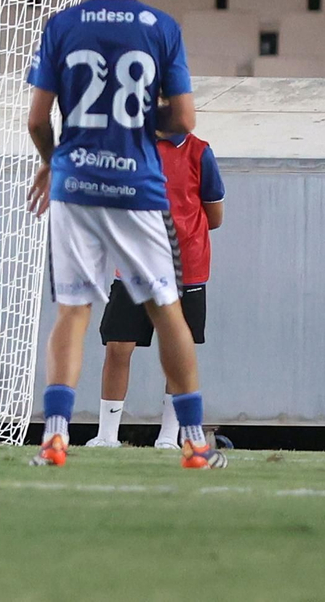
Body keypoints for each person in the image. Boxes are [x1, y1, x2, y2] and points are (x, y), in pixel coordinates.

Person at [25, 0, 225, 469]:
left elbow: (38, 121)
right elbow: (183, 119)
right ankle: (192, 442)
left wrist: (55, 160)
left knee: (72, 312)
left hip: (76, 183)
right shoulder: (161, 27)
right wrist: (136, 119)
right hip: (136, 188)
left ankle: (57, 435)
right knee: (167, 312)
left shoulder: (61, 25)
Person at [87, 126, 224, 449]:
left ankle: (168, 436)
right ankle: (107, 435)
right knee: (118, 345)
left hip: (184, 270)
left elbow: (213, 215)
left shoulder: (199, 152)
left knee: (177, 351)